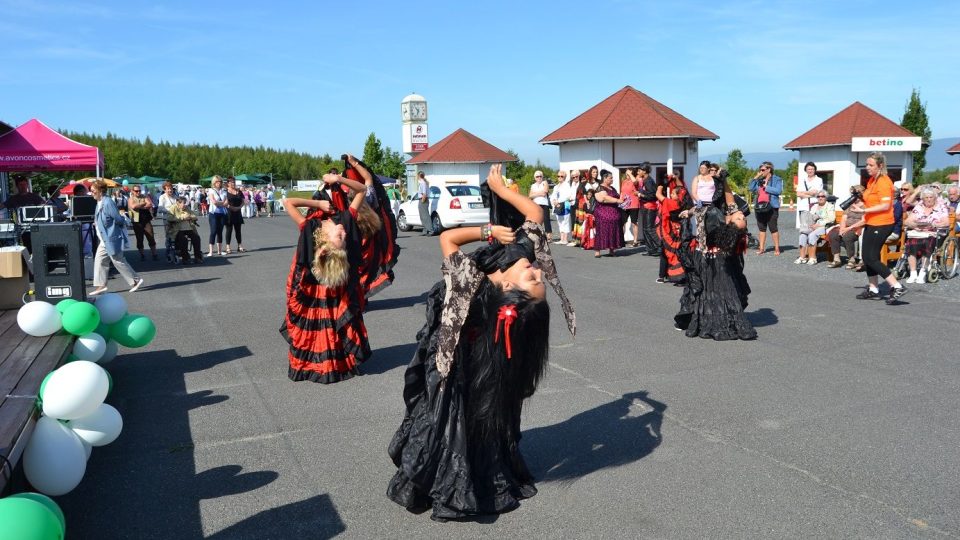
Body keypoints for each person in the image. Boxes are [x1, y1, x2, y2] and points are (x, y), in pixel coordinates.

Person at [387, 163, 575, 522]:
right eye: (539, 279)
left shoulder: (473, 284)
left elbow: (447, 239)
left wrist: (485, 230)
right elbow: (535, 213)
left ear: (508, 291)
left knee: (459, 417)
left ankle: (460, 481)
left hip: (464, 357)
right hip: (470, 346)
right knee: (471, 418)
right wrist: (500, 189)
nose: (538, 272)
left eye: (532, 279)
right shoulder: (524, 251)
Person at [280, 174, 370, 383]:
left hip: (318, 288)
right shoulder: (346, 219)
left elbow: (289, 202)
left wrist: (317, 203)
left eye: (341, 237)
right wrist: (339, 178)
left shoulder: (310, 228)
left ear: (324, 244)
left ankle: (321, 364)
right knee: (331, 325)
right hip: (332, 288)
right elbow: (363, 190)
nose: (344, 234)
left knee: (321, 327)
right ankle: (335, 363)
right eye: (343, 238)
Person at [674, 170, 756, 340]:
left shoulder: (719, 220)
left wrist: (689, 212)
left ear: (733, 223)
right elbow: (730, 199)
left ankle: (710, 320)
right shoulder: (727, 218)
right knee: (715, 292)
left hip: (710, 259)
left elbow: (706, 210)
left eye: (740, 217)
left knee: (711, 291)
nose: (741, 214)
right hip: (712, 257)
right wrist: (724, 181)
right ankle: (712, 317)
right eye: (741, 215)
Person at [857, 152, 907, 303]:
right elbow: (871, 201)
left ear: (880, 166)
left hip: (883, 223)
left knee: (872, 257)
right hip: (871, 222)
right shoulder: (872, 181)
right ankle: (873, 288)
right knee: (867, 257)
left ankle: (897, 286)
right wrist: (860, 205)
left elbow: (885, 205)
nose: (867, 167)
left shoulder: (884, 182)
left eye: (871, 165)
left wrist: (864, 210)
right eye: (867, 164)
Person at [89, 180, 144, 295]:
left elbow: (118, 219)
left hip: (111, 237)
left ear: (100, 191)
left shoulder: (108, 202)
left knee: (118, 260)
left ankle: (135, 280)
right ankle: (101, 285)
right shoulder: (99, 202)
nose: (91, 192)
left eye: (93, 190)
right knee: (100, 260)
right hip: (104, 238)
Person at [903, 187, 950, 284]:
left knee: (926, 243)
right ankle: (913, 273)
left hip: (934, 233)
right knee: (910, 243)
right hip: (919, 232)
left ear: (935, 197)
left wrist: (934, 224)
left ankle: (923, 273)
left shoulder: (941, 207)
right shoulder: (919, 206)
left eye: (931, 197)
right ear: (923, 199)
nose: (928, 199)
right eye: (926, 197)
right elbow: (907, 221)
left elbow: (946, 222)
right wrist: (915, 225)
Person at [656, 175, 691, 284]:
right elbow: (682, 189)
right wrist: (675, 179)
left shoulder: (670, 203)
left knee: (666, 252)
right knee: (678, 251)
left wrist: (662, 184)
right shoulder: (685, 204)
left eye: (673, 193)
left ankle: (665, 276)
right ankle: (682, 274)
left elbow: (658, 194)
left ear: (678, 196)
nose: (670, 194)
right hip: (679, 230)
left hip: (669, 231)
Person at [748, 162, 783, 255]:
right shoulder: (759, 179)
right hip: (759, 207)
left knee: (773, 228)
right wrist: (756, 177)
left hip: (771, 206)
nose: (761, 172)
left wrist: (766, 187)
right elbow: (751, 188)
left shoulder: (777, 179)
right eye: (760, 170)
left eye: (763, 170)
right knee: (761, 228)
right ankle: (762, 248)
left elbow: (778, 191)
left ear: (769, 169)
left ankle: (776, 248)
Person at [826, 190, 865, 268]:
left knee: (847, 236)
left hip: (858, 227)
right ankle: (836, 259)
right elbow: (844, 218)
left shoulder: (865, 206)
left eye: (854, 195)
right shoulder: (850, 205)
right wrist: (842, 229)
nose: (852, 196)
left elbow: (864, 221)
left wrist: (849, 228)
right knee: (833, 234)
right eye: (852, 194)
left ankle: (851, 259)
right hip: (847, 227)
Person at [795, 191, 835, 265]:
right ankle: (802, 257)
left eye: (822, 196)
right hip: (813, 225)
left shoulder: (829, 206)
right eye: (818, 196)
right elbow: (812, 217)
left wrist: (819, 224)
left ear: (826, 198)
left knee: (812, 235)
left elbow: (831, 219)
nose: (820, 198)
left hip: (825, 226)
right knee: (803, 235)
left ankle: (813, 258)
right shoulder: (814, 206)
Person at [591, 169, 624, 258]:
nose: (612, 179)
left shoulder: (612, 188)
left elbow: (617, 196)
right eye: (610, 178)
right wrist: (617, 200)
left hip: (614, 213)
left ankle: (612, 249)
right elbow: (604, 198)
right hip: (603, 213)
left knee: (613, 230)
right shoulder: (600, 188)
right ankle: (597, 251)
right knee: (601, 231)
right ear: (605, 178)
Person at [166, 196, 204, 264]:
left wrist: (190, 217)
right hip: (178, 230)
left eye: (185, 203)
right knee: (184, 240)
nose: (184, 205)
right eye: (183, 203)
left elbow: (195, 216)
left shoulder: (187, 208)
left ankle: (197, 257)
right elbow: (169, 218)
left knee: (196, 238)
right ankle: (185, 258)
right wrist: (182, 218)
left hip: (189, 228)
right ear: (178, 203)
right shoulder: (173, 208)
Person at [127, 184, 158, 261]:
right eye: (136, 191)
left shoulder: (144, 196)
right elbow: (133, 206)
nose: (138, 192)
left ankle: (154, 254)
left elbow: (150, 204)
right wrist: (143, 204)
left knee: (151, 237)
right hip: (137, 222)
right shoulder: (131, 199)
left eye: (139, 190)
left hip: (146, 220)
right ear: (132, 191)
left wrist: (140, 206)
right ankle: (142, 255)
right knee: (139, 238)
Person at [795, 162, 824, 228]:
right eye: (809, 169)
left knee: (813, 227)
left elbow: (816, 192)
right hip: (803, 207)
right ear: (806, 170)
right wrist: (810, 193)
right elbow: (798, 193)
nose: (810, 171)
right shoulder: (802, 180)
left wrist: (804, 193)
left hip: (814, 207)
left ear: (815, 170)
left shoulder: (819, 180)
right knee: (804, 228)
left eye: (812, 169)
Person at [550, 170, 574, 244]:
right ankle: (561, 238)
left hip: (564, 206)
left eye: (562, 176)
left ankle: (565, 239)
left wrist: (558, 201)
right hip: (557, 206)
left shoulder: (566, 185)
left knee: (565, 222)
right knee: (560, 222)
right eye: (558, 176)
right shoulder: (556, 186)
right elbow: (553, 195)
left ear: (565, 177)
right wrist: (553, 200)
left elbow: (567, 195)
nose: (560, 177)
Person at [206, 176, 228, 256]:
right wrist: (222, 203)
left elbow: (226, 203)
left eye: (220, 182)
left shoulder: (224, 191)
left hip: (222, 213)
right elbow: (214, 202)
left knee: (220, 232)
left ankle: (219, 251)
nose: (219, 183)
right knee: (213, 231)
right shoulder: (211, 190)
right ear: (214, 183)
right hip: (213, 214)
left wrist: (221, 203)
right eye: (217, 182)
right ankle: (211, 251)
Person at [223, 178, 246, 254]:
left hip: (238, 212)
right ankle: (228, 247)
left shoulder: (239, 191)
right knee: (229, 230)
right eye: (232, 182)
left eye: (234, 182)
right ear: (228, 183)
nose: (233, 183)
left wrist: (238, 208)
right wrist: (231, 207)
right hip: (229, 212)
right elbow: (224, 203)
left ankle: (240, 246)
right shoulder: (225, 192)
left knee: (238, 231)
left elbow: (243, 201)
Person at [157, 181, 178, 262]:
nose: (170, 190)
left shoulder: (175, 197)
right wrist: (169, 210)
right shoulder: (162, 197)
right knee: (169, 236)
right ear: (165, 189)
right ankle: (168, 253)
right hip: (167, 219)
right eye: (168, 189)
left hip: (176, 219)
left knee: (177, 235)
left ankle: (177, 251)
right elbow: (159, 209)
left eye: (171, 188)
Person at [528, 170, 552, 240]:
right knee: (537, 220)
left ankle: (549, 235)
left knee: (546, 220)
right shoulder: (533, 185)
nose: (539, 178)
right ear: (535, 178)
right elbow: (530, 196)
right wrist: (539, 193)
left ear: (542, 177)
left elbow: (545, 192)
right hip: (536, 204)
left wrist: (535, 193)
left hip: (544, 204)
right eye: (537, 176)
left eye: (540, 176)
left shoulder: (544, 183)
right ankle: (538, 234)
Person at [621, 168, 641, 246]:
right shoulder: (624, 182)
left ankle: (635, 241)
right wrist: (620, 201)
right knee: (623, 222)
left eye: (629, 173)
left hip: (633, 204)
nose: (627, 175)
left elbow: (635, 181)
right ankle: (621, 240)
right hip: (624, 204)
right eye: (626, 173)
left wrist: (630, 174)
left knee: (634, 223)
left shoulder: (636, 180)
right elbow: (622, 193)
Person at [416, 171, 433, 236]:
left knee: (425, 216)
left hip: (423, 200)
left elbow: (424, 193)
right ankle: (425, 230)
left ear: (419, 176)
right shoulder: (423, 182)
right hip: (422, 199)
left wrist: (422, 200)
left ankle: (430, 230)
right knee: (422, 216)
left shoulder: (423, 183)